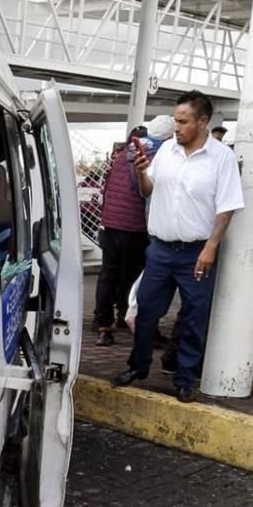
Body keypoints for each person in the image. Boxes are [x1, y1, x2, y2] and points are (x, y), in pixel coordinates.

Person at [112, 91, 244, 403]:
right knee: (145, 313)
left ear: (203, 122)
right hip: (159, 250)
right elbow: (148, 191)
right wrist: (143, 171)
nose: (177, 128)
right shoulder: (168, 150)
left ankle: (184, 379)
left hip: (196, 252)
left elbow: (227, 207)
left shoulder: (221, 158)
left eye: (184, 122)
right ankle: (138, 366)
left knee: (193, 317)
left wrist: (211, 246)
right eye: (176, 121)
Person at [92, 127, 149, 347]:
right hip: (134, 227)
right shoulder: (146, 159)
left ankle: (103, 324)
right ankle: (126, 314)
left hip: (109, 225)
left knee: (108, 274)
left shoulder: (118, 159)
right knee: (132, 276)